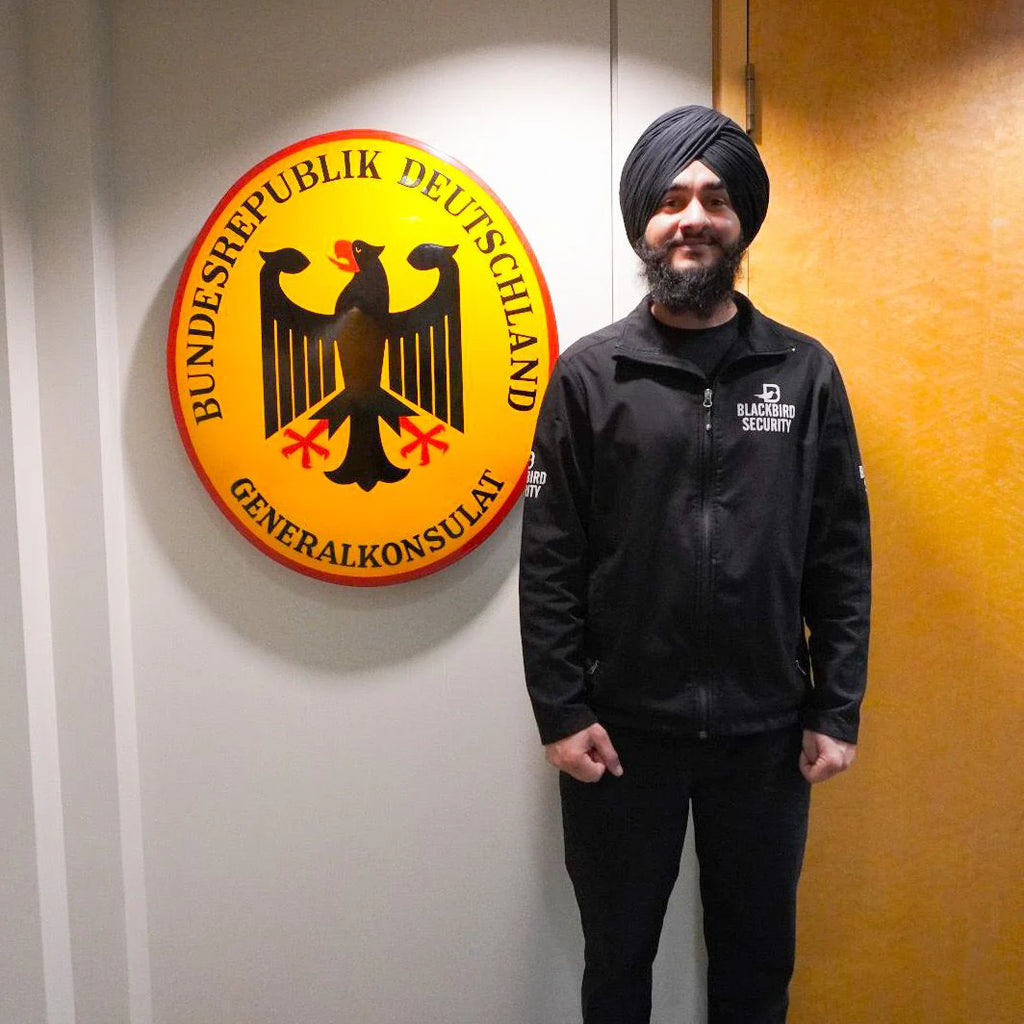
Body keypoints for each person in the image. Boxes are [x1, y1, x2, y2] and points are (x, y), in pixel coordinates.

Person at [518, 105, 871, 1024]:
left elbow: (841, 550)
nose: (693, 217)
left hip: (766, 736)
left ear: (741, 220)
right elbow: (550, 558)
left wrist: (835, 706)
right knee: (617, 963)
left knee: (756, 971)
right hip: (619, 740)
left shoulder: (804, 373)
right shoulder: (591, 377)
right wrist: (562, 710)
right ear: (644, 220)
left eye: (715, 198)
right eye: (671, 198)